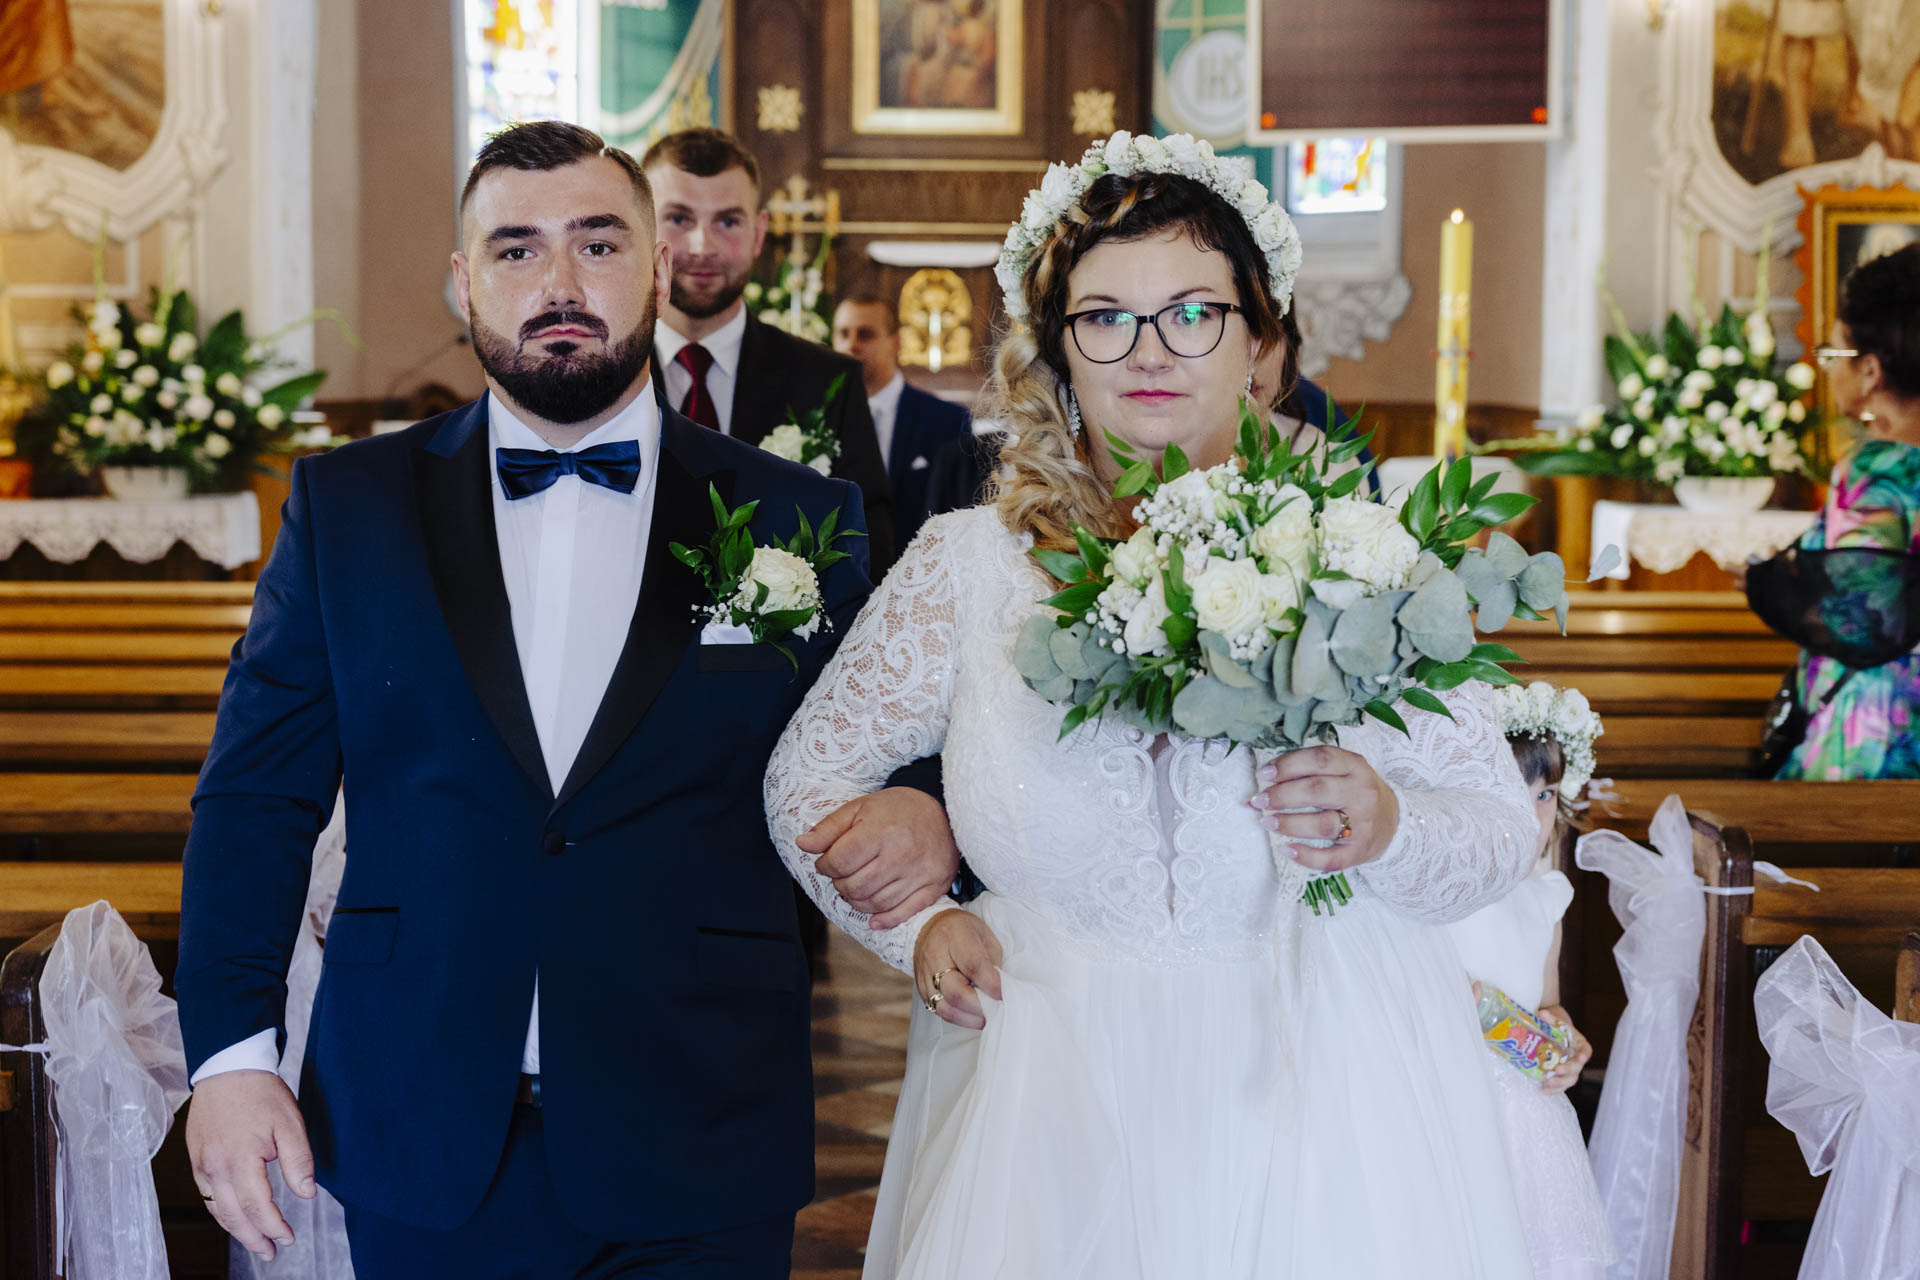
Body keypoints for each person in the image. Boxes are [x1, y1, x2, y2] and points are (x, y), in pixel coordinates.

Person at [177, 121, 957, 1279]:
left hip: (700, 1113)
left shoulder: (797, 514)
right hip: (422, 1113)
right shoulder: (348, 508)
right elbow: (256, 798)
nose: (560, 284)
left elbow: (899, 725)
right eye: (516, 249)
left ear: (657, 268)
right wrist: (233, 1057)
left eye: (597, 244)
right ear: (464, 282)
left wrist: (927, 802)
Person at [766, 132, 1539, 1278]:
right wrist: (918, 925)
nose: (1148, 351)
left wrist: (1386, 822)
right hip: (1043, 1101)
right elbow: (804, 778)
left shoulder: (1363, 559)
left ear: (1260, 341)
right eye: (1105, 317)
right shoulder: (968, 566)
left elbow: (1499, 831)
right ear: (1055, 349)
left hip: (1318, 1105)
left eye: (1191, 312)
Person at [640, 127, 897, 570]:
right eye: (679, 219)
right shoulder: (602, 374)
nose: (703, 246)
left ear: (759, 233)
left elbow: (867, 550)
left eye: (728, 221)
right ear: (643, 226)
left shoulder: (828, 383)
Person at [1448, 682, 1613, 1280]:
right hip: (1452, 1107)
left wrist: (1567, 1041)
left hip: (1526, 1128)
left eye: (1544, 795)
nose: (1531, 815)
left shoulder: (1545, 900)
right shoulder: (1441, 894)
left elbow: (1548, 1003)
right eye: (1510, 792)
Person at [1765, 243, 1920, 779]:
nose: (1828, 370)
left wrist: (1772, 584)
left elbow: (1859, 621)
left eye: (1833, 355)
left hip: (1879, 728)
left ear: (1871, 370)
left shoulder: (1876, 470)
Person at [832, 293, 973, 548]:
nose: (851, 345)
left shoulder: (947, 421)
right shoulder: (818, 417)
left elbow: (960, 517)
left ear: (895, 342)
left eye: (865, 334)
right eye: (843, 334)